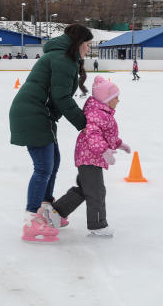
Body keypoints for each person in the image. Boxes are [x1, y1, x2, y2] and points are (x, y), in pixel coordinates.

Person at [9, 24, 93, 243]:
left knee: (53, 161)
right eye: (88, 44)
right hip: (32, 113)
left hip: (40, 113)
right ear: (78, 42)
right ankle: (31, 220)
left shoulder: (63, 57)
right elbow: (62, 98)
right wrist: (84, 123)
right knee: (43, 167)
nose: (89, 49)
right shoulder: (63, 60)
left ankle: (46, 210)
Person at [46, 76, 130, 237]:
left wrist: (119, 144)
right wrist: (104, 151)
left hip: (90, 157)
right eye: (115, 97)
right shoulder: (97, 114)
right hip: (90, 157)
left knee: (85, 189)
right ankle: (98, 225)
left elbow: (106, 136)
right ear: (107, 99)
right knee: (96, 191)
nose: (118, 100)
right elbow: (93, 136)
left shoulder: (103, 113)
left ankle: (56, 213)